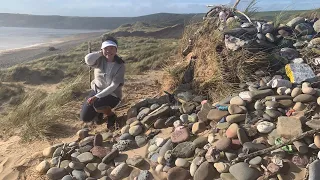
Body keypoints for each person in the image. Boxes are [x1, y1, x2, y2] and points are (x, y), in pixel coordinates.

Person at [80, 36, 125, 130]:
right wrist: (101, 53)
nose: (109, 51)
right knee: (85, 118)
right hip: (97, 89)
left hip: (113, 94)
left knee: (98, 104)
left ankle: (110, 115)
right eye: (106, 48)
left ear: (116, 50)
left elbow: (114, 86)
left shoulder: (120, 65)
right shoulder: (99, 60)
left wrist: (96, 96)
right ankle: (99, 113)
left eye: (112, 48)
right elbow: (88, 59)